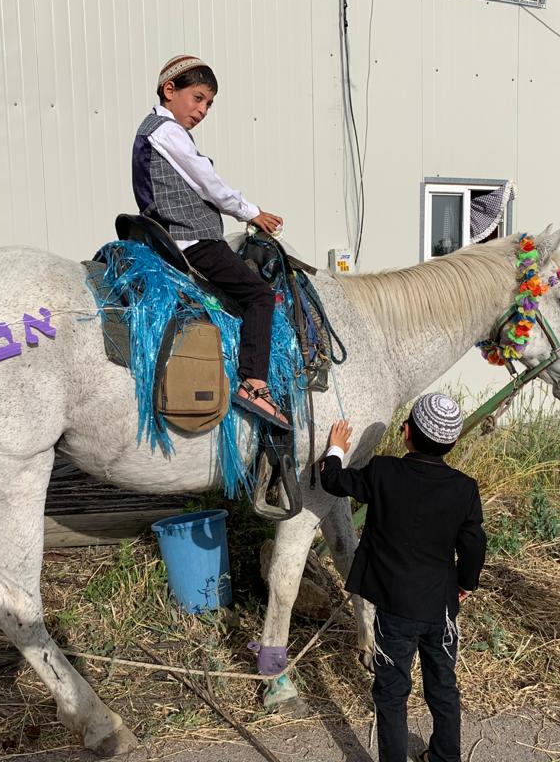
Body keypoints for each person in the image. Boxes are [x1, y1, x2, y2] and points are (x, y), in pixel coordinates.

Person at [320, 394, 487, 762]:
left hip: (393, 607)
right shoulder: (464, 488)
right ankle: (445, 757)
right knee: (443, 687)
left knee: (392, 693)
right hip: (441, 608)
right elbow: (474, 545)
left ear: (407, 432)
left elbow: (333, 481)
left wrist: (336, 449)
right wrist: (464, 583)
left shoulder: (383, 471)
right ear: (452, 444)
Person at [131, 54, 290, 429]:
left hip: (176, 235)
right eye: (198, 98)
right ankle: (254, 384)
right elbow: (207, 181)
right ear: (170, 90)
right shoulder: (167, 131)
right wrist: (251, 212)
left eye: (209, 104)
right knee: (260, 295)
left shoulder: (152, 131)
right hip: (192, 239)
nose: (202, 110)